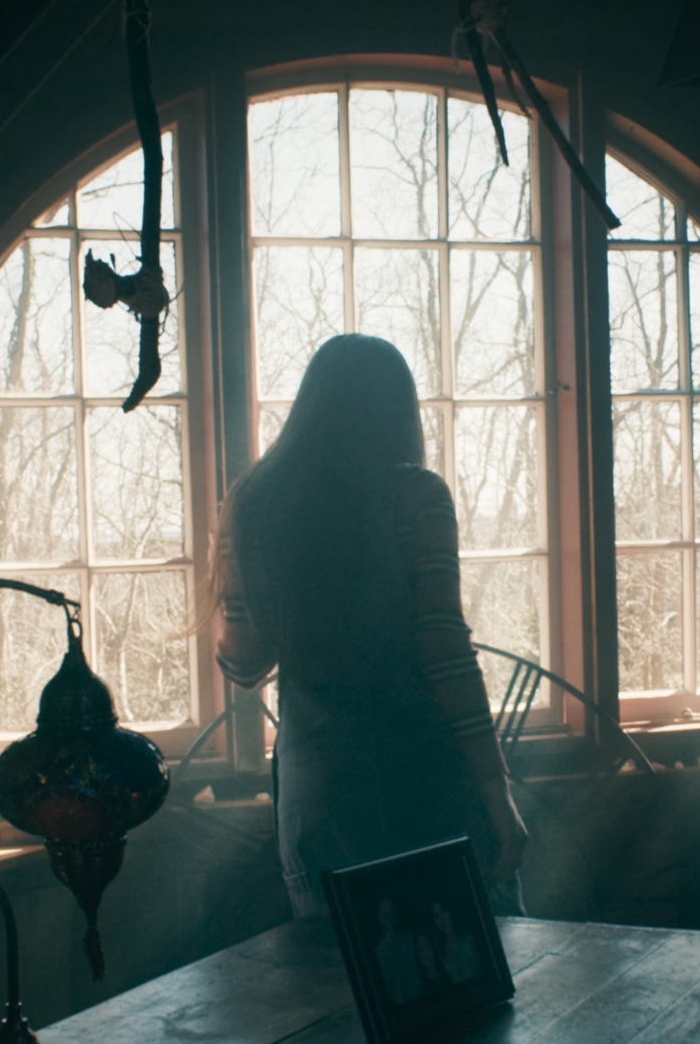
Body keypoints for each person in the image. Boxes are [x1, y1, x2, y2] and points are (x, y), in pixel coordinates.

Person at [212, 333, 528, 920]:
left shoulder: (253, 503)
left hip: (319, 775)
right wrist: (495, 790)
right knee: (462, 972)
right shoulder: (417, 497)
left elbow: (243, 663)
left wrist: (237, 574)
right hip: (423, 763)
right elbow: (446, 654)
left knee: (336, 975)